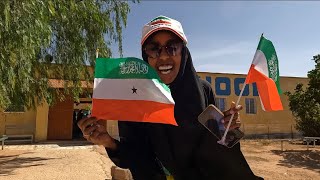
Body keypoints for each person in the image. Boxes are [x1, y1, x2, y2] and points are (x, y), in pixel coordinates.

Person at [78, 15, 263, 180]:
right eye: (154, 49)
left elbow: (216, 145)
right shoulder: (135, 97)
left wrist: (226, 127)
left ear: (184, 53)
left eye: (172, 47)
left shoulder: (203, 90)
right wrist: (109, 142)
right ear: (146, 57)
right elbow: (135, 156)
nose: (164, 56)